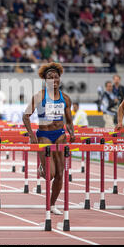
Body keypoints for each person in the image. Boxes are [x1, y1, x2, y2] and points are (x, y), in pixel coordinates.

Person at [22, 62, 76, 215]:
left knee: (60, 174)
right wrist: (32, 136)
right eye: (50, 77)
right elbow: (25, 116)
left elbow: (69, 121)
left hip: (60, 135)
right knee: (50, 174)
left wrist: (72, 133)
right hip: (44, 135)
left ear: (60, 79)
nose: (54, 80)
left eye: (56, 77)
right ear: (45, 81)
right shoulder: (40, 96)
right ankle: (42, 168)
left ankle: (52, 205)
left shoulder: (65, 98)